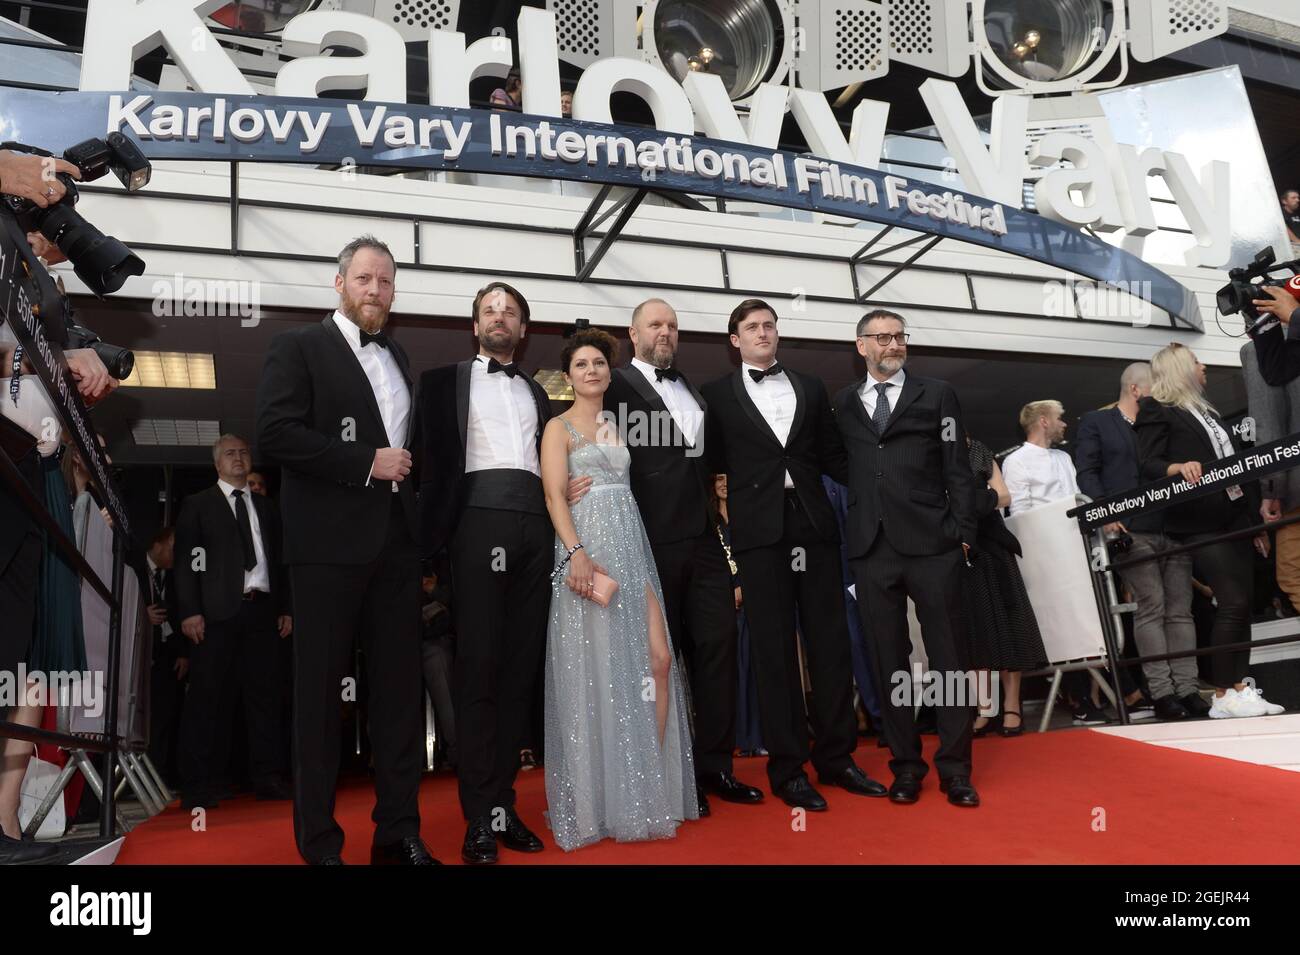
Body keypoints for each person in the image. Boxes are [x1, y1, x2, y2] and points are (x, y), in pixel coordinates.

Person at [256, 235, 434, 866]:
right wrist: (366, 462)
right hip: (326, 548)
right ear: (339, 283)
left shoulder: (400, 357)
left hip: (395, 547)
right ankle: (321, 846)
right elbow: (274, 433)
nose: (376, 290)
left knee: (398, 698)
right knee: (318, 700)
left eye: (385, 281)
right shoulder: (298, 346)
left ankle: (398, 834)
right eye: (364, 279)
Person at [703, 299, 886, 811]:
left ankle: (838, 760)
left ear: (777, 334)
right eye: (751, 328)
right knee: (773, 652)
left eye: (769, 325)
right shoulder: (714, 395)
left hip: (813, 525)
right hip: (758, 534)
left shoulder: (809, 386)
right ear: (734, 340)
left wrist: (884, 487)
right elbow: (707, 465)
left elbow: (832, 456)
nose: (762, 333)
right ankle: (788, 769)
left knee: (831, 645)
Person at [540, 327, 698, 850]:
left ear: (610, 372)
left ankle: (644, 784)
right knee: (597, 669)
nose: (592, 371)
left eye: (599, 364)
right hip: (588, 553)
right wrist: (575, 554)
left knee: (658, 660)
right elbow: (554, 499)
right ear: (569, 377)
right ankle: (600, 800)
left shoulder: (620, 424)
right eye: (582, 365)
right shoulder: (557, 428)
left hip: (633, 547)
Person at [599, 299, 760, 814]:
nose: (665, 332)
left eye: (672, 325)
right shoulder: (614, 385)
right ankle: (665, 776)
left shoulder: (693, 389)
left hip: (705, 541)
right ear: (633, 332)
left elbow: (707, 464)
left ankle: (715, 768)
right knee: (655, 662)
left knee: (717, 650)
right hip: (647, 541)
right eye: (655, 324)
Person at [415, 281, 554, 865]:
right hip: (474, 524)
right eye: (490, 311)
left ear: (523, 330)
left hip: (535, 526)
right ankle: (477, 818)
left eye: (511, 312)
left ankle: (503, 806)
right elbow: (425, 465)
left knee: (521, 672)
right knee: (479, 668)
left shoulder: (541, 392)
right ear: (475, 326)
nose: (500, 319)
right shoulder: (441, 383)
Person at [834, 309, 979, 808]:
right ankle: (906, 767)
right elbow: (842, 464)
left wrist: (964, 534)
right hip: (872, 550)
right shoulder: (843, 404)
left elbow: (957, 467)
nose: (894, 344)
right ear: (861, 346)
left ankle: (957, 770)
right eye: (883, 337)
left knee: (950, 661)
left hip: (934, 545)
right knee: (889, 662)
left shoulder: (937, 394)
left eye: (899, 336)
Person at [1136, 343, 1283, 719]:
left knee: (1243, 605)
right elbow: (1148, 463)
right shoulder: (1157, 408)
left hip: (1235, 518)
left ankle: (1239, 688)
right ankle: (1221, 693)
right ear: (1182, 368)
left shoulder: (1206, 412)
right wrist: (1177, 467)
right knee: (1231, 602)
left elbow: (1235, 469)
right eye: (1198, 362)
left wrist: (1254, 525)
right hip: (1198, 522)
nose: (1204, 368)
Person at [173, 433, 293, 809]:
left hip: (262, 612)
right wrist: (190, 610)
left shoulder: (268, 508)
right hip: (214, 615)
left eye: (244, 452)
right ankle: (200, 783)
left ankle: (268, 777)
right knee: (209, 699)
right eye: (230, 453)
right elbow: (187, 563)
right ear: (216, 463)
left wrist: (286, 607)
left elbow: (281, 561)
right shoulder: (197, 505)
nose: (238, 458)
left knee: (265, 699)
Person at [1075, 364, 1200, 721]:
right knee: (1152, 606)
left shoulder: (1161, 423)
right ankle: (1162, 694)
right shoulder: (1097, 423)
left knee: (1181, 611)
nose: (1160, 400)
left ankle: (1188, 689)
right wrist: (1105, 511)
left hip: (1172, 525)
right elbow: (1087, 471)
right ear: (1135, 390)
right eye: (1154, 393)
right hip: (1130, 530)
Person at [964, 436, 1047, 736]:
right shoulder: (925, 454)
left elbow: (1004, 496)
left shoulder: (978, 450)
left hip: (992, 546)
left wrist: (970, 502)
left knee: (1009, 629)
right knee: (974, 631)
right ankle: (986, 708)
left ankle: (1012, 706)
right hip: (956, 552)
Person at [1243, 334, 1300, 616]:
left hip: (1295, 490)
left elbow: (1267, 428)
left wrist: (1270, 490)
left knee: (1293, 575)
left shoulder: (1260, 350)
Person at [711, 474, 764, 756]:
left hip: (754, 602)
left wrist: (746, 588)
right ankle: (737, 739)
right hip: (725, 604)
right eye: (719, 478)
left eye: (729, 477)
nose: (725, 483)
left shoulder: (748, 515)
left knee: (756, 670)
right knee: (733, 672)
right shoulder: (710, 523)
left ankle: (758, 737)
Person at [144, 527, 187, 787]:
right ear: (158, 544)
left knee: (166, 716)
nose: (176, 554)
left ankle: (160, 777)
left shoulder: (174, 576)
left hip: (167, 658)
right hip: (138, 656)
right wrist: (142, 612)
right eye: (172, 547)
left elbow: (182, 611)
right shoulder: (133, 568)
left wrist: (184, 653)